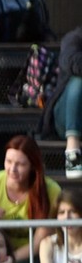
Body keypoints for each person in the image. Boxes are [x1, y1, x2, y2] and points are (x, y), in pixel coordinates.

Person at [0, 136, 58, 262]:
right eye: (8, 161)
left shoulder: (51, 190)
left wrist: (9, 260)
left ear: (32, 166)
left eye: (20, 164)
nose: (12, 169)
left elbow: (37, 244)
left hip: (32, 258)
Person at [50, 25, 82, 181]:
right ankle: (73, 147)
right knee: (78, 82)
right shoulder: (73, 38)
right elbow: (74, 65)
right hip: (66, 114)